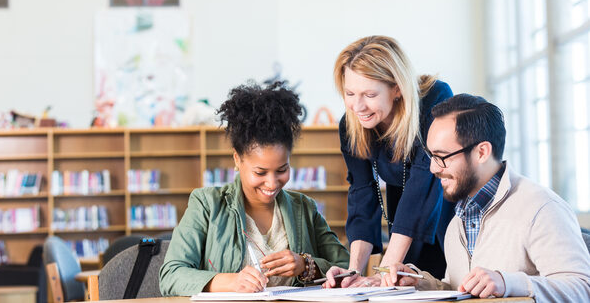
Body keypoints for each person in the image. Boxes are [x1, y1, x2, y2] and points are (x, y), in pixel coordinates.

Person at [384, 94, 590, 301]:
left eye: (442, 157)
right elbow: (463, 290)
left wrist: (506, 282)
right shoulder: (456, 223)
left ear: (481, 152)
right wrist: (421, 283)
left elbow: (582, 288)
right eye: (431, 156)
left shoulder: (542, 208)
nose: (433, 168)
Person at [159, 81, 349, 296]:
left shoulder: (304, 208)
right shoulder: (207, 205)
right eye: (260, 172)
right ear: (237, 159)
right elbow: (171, 275)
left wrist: (307, 266)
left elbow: (347, 268)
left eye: (282, 170)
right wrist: (230, 282)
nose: (272, 183)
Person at [325, 36, 455, 288]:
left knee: (444, 283)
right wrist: (353, 271)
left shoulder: (434, 99)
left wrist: (384, 270)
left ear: (397, 88)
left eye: (369, 94)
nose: (357, 106)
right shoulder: (351, 124)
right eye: (350, 93)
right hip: (404, 217)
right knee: (401, 286)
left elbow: (423, 182)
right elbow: (362, 194)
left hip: (448, 209)